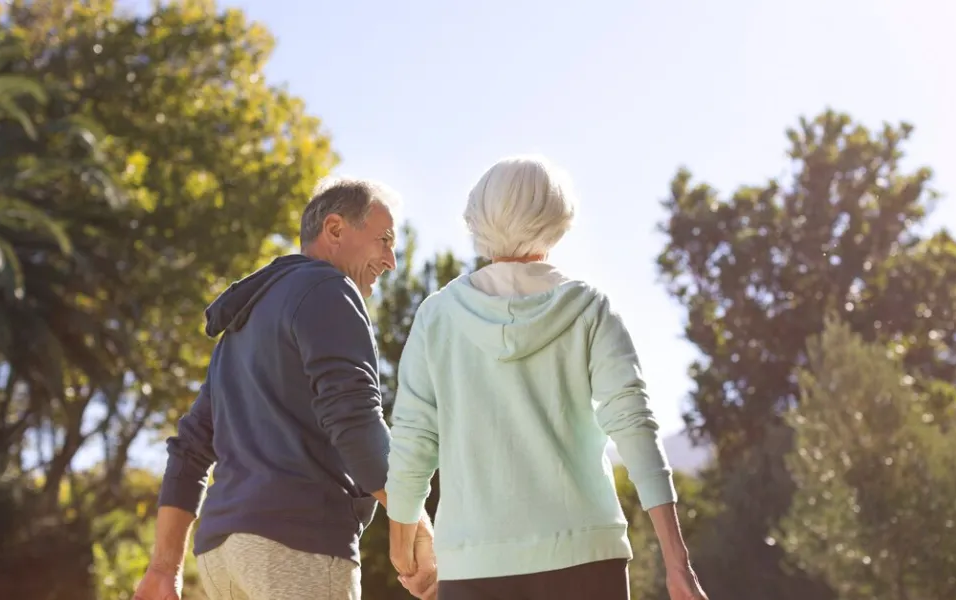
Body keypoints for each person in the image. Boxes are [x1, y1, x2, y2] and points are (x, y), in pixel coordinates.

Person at [383, 156, 708, 600]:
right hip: (587, 556)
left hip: (475, 563)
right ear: (558, 218)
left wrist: (406, 552)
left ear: (478, 218)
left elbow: (412, 443)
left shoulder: (436, 317)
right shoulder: (590, 308)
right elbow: (635, 428)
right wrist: (677, 563)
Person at [132, 178, 437, 600]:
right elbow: (354, 421)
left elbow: (190, 448)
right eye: (383, 240)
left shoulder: (241, 326)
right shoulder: (331, 289)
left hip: (222, 558)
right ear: (334, 230)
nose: (391, 261)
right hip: (296, 546)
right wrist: (415, 520)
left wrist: (163, 568)